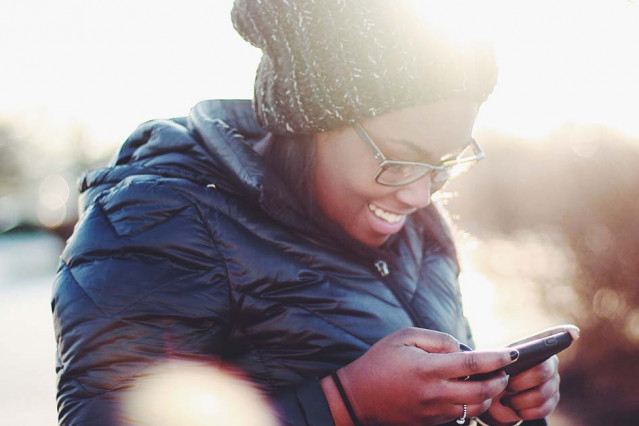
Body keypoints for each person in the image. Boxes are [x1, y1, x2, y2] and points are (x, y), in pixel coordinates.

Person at [51, 1, 573, 425]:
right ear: (309, 122)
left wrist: (498, 405)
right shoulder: (159, 219)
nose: (420, 195)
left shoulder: (420, 229)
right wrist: (342, 405)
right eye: (399, 157)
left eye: (443, 164)